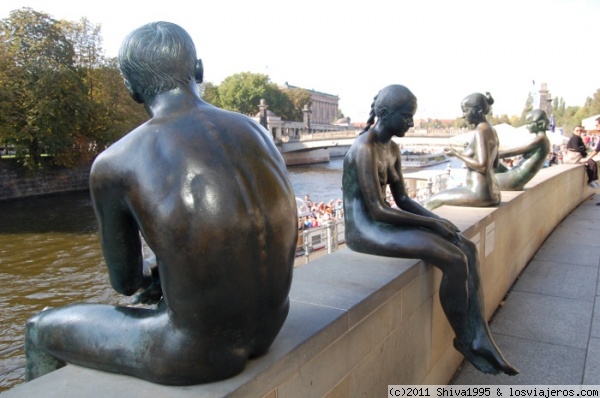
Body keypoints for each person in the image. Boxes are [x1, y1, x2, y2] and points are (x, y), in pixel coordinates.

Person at [24, 21, 297, 385]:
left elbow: (124, 282)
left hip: (192, 351)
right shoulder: (257, 133)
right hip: (270, 328)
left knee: (38, 329)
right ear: (199, 69)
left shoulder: (114, 161)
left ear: (131, 89)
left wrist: (153, 276)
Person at [342, 84, 518, 376]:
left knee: (467, 247)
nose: (411, 123)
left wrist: (437, 220)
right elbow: (377, 209)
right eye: (406, 116)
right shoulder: (364, 148)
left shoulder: (392, 148)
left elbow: (403, 200)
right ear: (385, 113)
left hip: (381, 222)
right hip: (365, 229)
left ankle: (480, 333)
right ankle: (465, 338)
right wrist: (433, 223)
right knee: (452, 257)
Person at [424, 92, 501, 210]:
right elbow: (495, 164)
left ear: (479, 110)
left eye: (465, 110)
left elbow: (483, 166)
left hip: (479, 193)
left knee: (430, 202)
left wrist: (456, 154)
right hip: (493, 193)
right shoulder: (492, 130)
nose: (463, 115)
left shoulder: (480, 132)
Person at [494, 109, 551, 190]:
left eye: (529, 123)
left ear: (540, 124)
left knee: (482, 180)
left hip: (515, 179)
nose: (526, 126)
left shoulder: (540, 140)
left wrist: (491, 154)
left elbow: (513, 152)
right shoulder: (542, 139)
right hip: (514, 174)